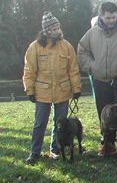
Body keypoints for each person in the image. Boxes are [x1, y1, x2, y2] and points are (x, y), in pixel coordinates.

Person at [77, 2, 117, 159]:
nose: (111, 20)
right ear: (101, 16)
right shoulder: (92, 34)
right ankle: (108, 143)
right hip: (100, 80)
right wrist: (92, 67)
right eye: (107, 17)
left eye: (113, 17)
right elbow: (82, 50)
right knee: (104, 113)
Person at [23, 12, 82, 164]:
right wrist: (29, 90)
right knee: (39, 123)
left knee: (61, 123)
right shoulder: (35, 47)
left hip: (62, 92)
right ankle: (34, 152)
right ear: (46, 30)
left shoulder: (66, 46)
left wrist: (76, 89)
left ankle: (56, 149)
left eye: (58, 27)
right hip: (42, 92)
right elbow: (29, 70)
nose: (57, 30)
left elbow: (73, 69)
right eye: (53, 28)